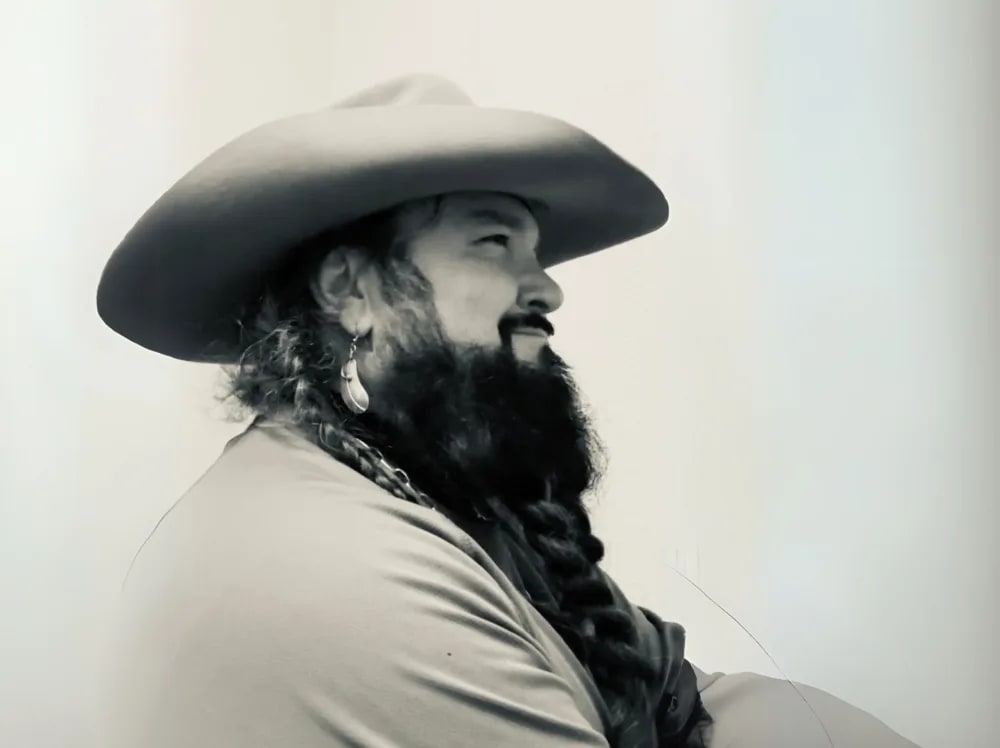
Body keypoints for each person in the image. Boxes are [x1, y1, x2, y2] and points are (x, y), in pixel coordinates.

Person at [96, 74, 921, 747]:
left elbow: (682, 698)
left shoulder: (409, 491)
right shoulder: (330, 560)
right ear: (351, 290)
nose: (547, 287)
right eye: (493, 243)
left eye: (535, 250)